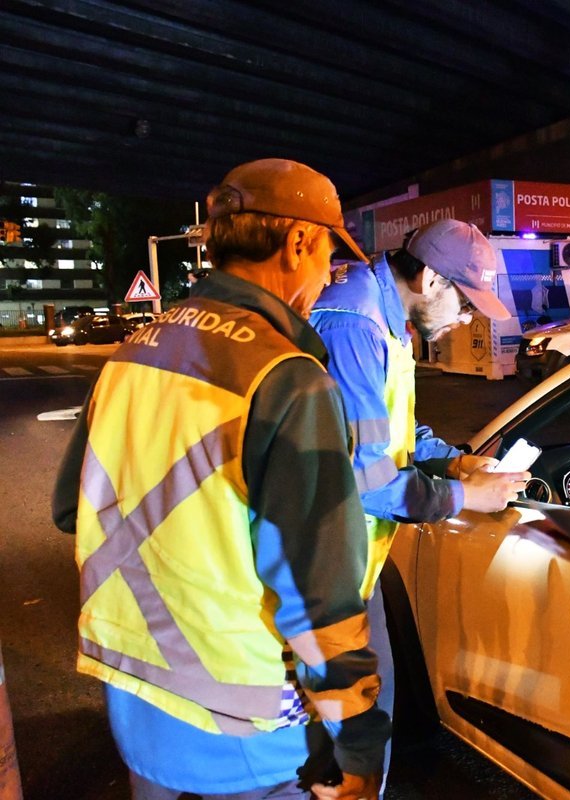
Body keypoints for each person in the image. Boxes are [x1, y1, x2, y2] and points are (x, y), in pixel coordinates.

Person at [52, 158, 390, 800]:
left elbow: (74, 510)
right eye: (326, 256)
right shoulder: (287, 379)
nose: (326, 277)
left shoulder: (132, 355)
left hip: (139, 709)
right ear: (298, 243)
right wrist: (359, 746)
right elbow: (319, 595)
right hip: (250, 736)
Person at [307, 219, 529, 769]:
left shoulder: (384, 316)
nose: (466, 319)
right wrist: (463, 497)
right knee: (348, 734)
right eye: (465, 302)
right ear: (431, 278)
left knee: (369, 713)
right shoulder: (353, 325)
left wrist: (454, 458)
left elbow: (391, 432)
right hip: (324, 563)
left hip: (355, 559)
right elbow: (369, 478)